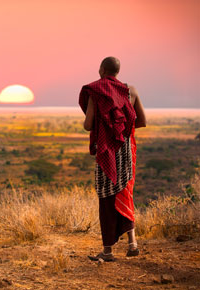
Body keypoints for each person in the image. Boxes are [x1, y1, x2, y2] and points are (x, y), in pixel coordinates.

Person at [79, 56, 146, 262]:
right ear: (117, 71)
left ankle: (107, 251)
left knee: (107, 199)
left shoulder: (95, 92)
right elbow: (142, 120)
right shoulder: (131, 91)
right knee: (124, 193)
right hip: (124, 150)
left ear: (101, 70)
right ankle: (132, 243)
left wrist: (105, 128)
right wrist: (121, 130)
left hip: (106, 152)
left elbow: (88, 125)